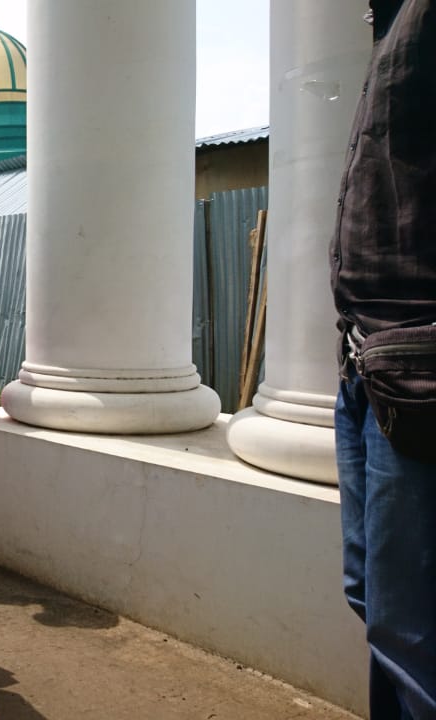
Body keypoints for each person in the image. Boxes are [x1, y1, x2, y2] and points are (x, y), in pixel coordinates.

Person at [331, 2, 436, 718]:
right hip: (368, 365)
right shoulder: (395, 24)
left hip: (420, 368)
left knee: (411, 633)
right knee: (376, 603)